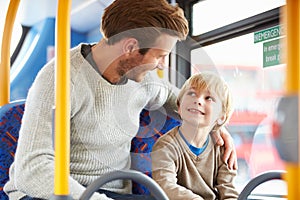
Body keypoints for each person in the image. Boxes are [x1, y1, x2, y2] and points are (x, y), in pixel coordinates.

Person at [4, 0, 237, 199]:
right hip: (52, 193)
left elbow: (173, 98)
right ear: (131, 47)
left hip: (115, 191)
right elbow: (32, 168)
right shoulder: (61, 78)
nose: (162, 65)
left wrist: (216, 127)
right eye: (161, 56)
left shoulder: (143, 81)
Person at [151, 71, 239, 200]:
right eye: (192, 93)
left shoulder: (222, 149)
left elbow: (228, 190)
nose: (197, 100)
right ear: (179, 107)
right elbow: (166, 186)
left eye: (208, 98)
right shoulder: (166, 145)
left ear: (221, 117)